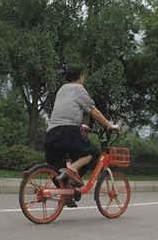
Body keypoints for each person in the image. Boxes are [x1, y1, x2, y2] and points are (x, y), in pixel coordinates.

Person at [45, 64, 119, 205]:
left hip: (51, 134)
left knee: (58, 168)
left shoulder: (62, 89)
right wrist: (109, 125)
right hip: (66, 131)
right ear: (80, 76)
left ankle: (68, 193)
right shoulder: (79, 89)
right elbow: (93, 111)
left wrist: (80, 126)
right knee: (92, 152)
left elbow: (65, 111)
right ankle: (72, 170)